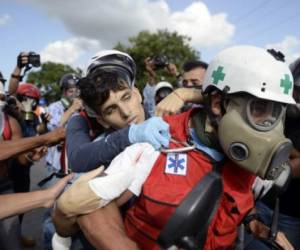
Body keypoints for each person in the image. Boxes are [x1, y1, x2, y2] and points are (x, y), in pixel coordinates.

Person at [58, 45, 295, 250]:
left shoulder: (245, 156)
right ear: (216, 104)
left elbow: (237, 199)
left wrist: (254, 220)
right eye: (259, 109)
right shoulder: (153, 142)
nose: (267, 127)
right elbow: (92, 206)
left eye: (276, 113)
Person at [66, 50, 170, 173]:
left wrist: (191, 94)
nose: (125, 112)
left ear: (137, 93)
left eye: (126, 97)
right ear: (102, 120)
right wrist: (130, 135)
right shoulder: (81, 121)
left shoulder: (169, 121)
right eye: (110, 110)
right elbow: (78, 159)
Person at [244, 56, 300, 250]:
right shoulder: (276, 111)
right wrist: (184, 94)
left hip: (291, 214)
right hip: (257, 205)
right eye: (298, 91)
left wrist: (283, 170)